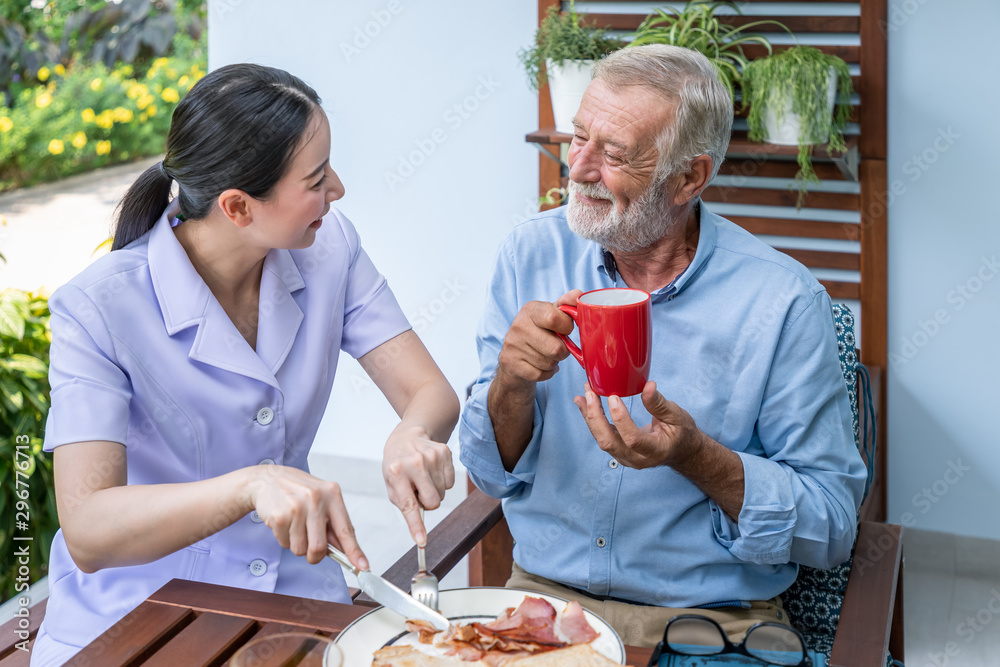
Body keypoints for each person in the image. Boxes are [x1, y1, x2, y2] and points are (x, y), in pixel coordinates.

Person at [32, 64, 460, 665]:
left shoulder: (329, 246)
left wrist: (411, 433)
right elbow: (89, 529)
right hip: (143, 609)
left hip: (295, 596)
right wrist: (251, 485)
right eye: (316, 179)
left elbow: (430, 391)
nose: (337, 189)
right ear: (237, 207)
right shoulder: (97, 306)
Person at [459, 44, 867, 649]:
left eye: (615, 154)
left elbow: (831, 525)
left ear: (690, 177)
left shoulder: (782, 301)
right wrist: (510, 384)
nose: (579, 168)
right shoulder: (530, 256)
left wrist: (696, 456)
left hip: (712, 625)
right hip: (542, 605)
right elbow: (490, 474)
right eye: (578, 138)